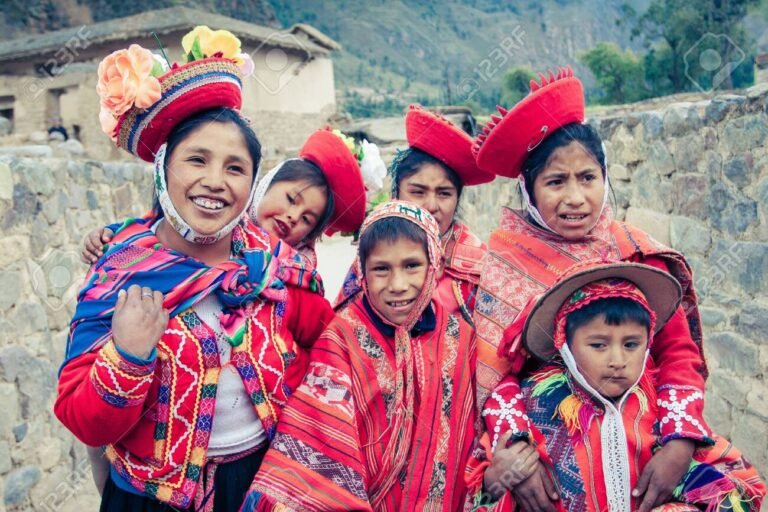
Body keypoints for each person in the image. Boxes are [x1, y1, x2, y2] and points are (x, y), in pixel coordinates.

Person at [55, 28, 335, 511]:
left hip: (259, 486)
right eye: (197, 160)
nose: (214, 181)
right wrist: (128, 355)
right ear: (164, 170)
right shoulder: (123, 271)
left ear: (251, 183)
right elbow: (84, 422)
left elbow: (327, 344)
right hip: (151, 498)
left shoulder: (274, 266)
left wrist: (289, 385)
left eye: (234, 168)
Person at [472, 67, 713, 511]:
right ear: (527, 189)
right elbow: (497, 374)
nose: (576, 198)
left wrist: (679, 445)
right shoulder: (506, 266)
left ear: (605, 177)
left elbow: (679, 353)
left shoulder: (638, 256)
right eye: (555, 182)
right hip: (553, 454)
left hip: (647, 440)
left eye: (587, 177)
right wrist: (517, 453)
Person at [241, 201, 477, 511]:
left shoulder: (459, 338)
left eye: (412, 266)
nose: (397, 285)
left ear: (435, 265)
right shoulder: (341, 339)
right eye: (381, 269)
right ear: (361, 273)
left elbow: (471, 430)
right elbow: (320, 433)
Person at [474, 260, 765, 511]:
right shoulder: (533, 410)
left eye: (631, 344)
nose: (617, 360)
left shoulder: (662, 420)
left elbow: (744, 489)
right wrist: (494, 482)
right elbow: (477, 498)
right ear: (565, 346)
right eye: (598, 345)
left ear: (648, 344)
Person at [81, 127, 381, 268]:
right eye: (291, 199)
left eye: (307, 219)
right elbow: (146, 229)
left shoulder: (295, 273)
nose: (293, 217)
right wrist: (108, 236)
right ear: (262, 185)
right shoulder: (200, 229)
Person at [337, 104, 495, 325]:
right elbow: (345, 326)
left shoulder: (479, 266)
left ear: (457, 199)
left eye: (444, 193)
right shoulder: (373, 252)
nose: (430, 206)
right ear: (396, 193)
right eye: (417, 192)